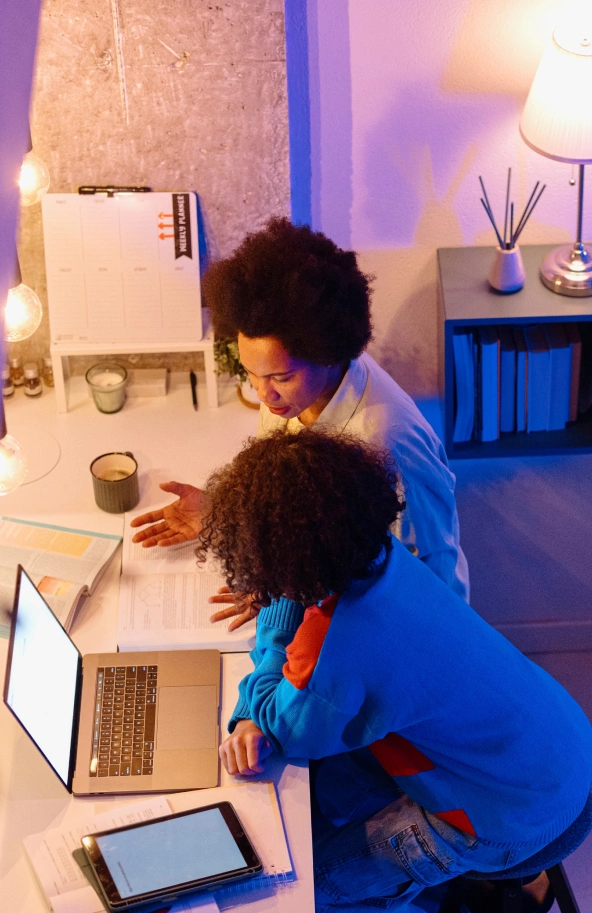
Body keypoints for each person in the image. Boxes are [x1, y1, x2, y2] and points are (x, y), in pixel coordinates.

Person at [201, 428, 592, 913]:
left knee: (318, 893)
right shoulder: (384, 556)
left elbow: (290, 729)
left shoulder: (339, 645)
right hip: (554, 750)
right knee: (330, 794)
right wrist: (283, 608)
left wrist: (262, 671)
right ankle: (491, 906)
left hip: (499, 818)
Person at [130, 218, 469, 626]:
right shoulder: (291, 394)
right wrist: (229, 516)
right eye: (251, 373)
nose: (263, 394)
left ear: (327, 354)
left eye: (281, 377)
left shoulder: (388, 442)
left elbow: (436, 572)